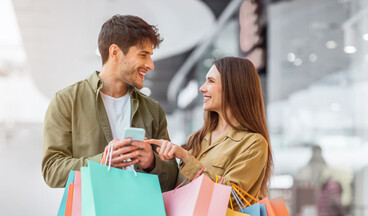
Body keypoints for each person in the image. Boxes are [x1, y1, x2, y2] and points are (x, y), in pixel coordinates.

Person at [42, 14, 178, 190]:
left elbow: (174, 179)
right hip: (89, 215)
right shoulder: (66, 102)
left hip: (141, 215)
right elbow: (52, 170)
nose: (151, 65)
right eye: (143, 55)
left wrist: (152, 163)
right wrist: (102, 162)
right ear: (115, 52)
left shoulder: (153, 110)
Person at [147, 57, 273, 204]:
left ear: (233, 87)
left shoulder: (253, 143)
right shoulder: (197, 138)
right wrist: (151, 161)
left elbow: (232, 197)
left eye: (211, 81)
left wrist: (186, 158)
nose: (202, 88)